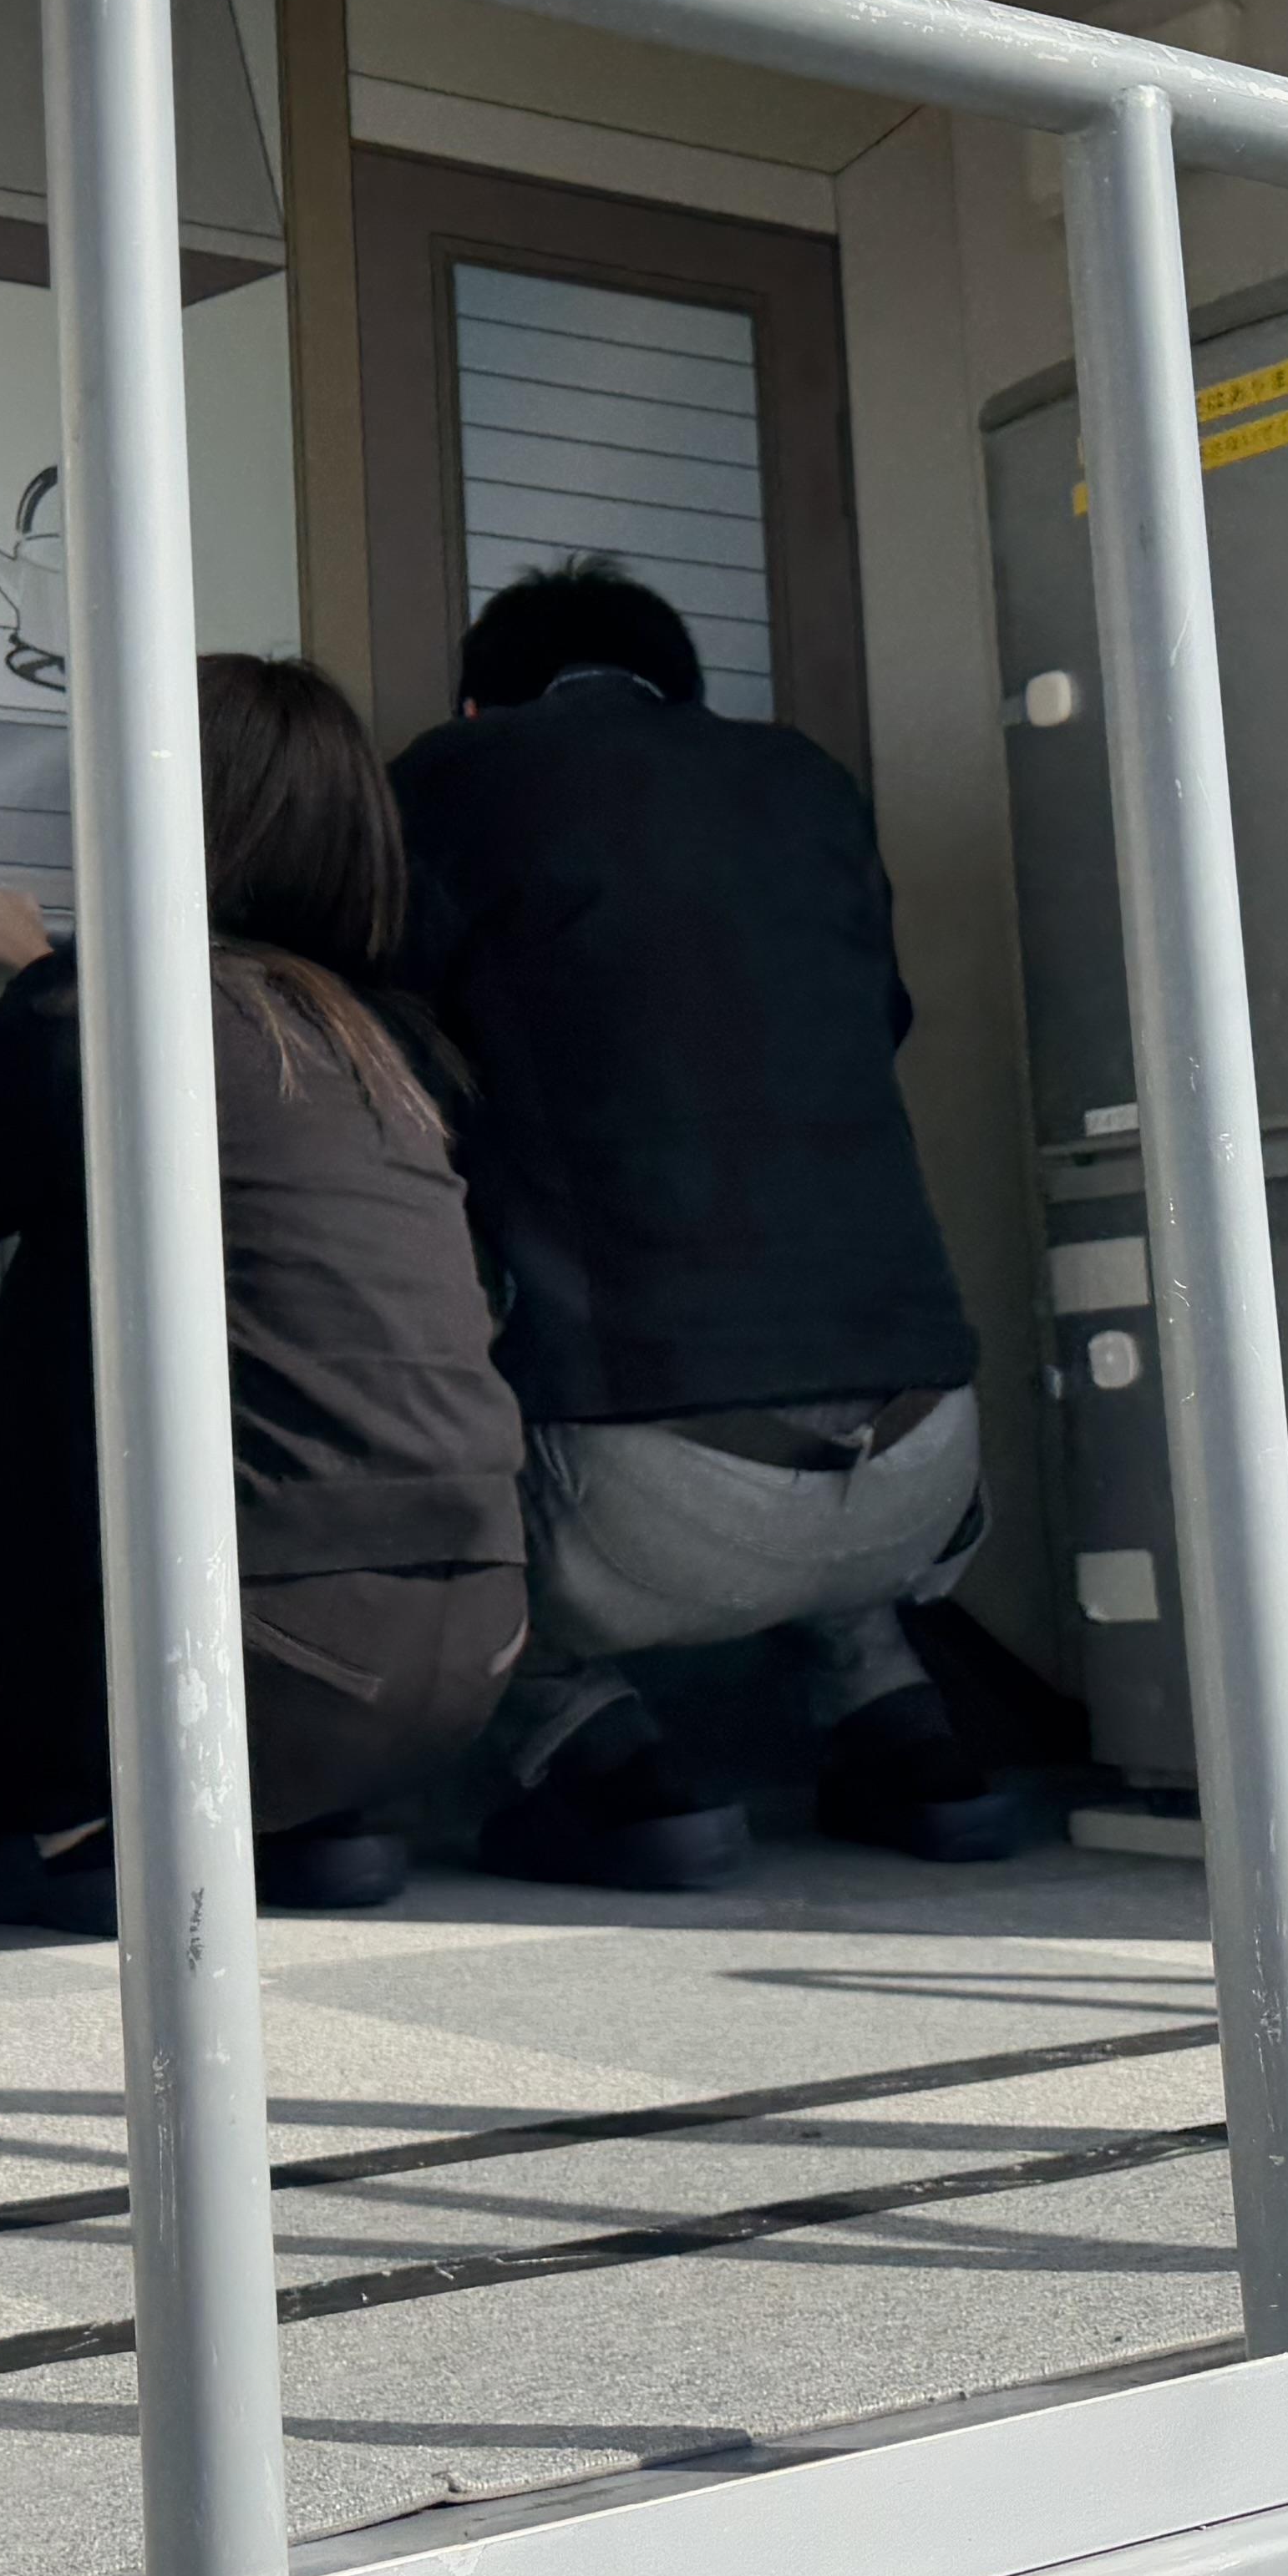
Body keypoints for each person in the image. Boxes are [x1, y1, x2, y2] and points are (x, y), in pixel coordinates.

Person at [0, 653, 529, 1931]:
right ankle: (305, 1824)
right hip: (468, 1667)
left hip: (251, 1668)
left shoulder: (125, 1012)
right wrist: (49, 974)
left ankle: (56, 1822)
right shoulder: (393, 1042)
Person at [389, 559, 1012, 1880]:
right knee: (782, 1295)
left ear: (481, 705)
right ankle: (894, 1714)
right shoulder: (807, 780)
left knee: (367, 1344)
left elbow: (371, 1044)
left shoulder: (456, 778)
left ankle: (597, 1752)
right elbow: (883, 1017)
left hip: (652, 1508)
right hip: (932, 1472)